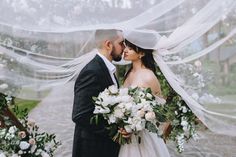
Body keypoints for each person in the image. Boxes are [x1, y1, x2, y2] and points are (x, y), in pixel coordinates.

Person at [72, 29, 124, 157]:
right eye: (121, 43)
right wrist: (115, 131)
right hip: (92, 148)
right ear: (108, 44)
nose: (124, 48)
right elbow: (80, 115)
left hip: (104, 147)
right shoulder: (92, 71)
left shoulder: (106, 68)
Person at [118, 37, 170, 157]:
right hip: (127, 135)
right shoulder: (128, 73)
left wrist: (139, 121)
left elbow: (161, 109)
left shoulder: (149, 76)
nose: (125, 50)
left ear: (141, 53)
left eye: (130, 48)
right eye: (125, 46)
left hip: (144, 137)